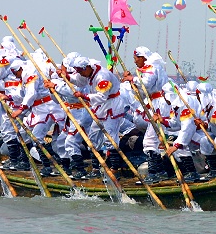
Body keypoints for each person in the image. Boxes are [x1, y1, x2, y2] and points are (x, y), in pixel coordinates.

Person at [70, 56, 126, 179]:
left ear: (87, 68)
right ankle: (96, 168)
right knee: (93, 137)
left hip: (111, 106)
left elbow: (102, 96)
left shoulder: (102, 76)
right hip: (100, 108)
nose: (79, 74)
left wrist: (84, 96)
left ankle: (114, 169)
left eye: (80, 71)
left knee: (111, 137)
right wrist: (66, 76)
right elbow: (79, 81)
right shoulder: (88, 73)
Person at [122, 47, 171, 182]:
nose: (135, 61)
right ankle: (157, 171)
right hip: (154, 103)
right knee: (150, 139)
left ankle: (154, 173)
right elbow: (142, 92)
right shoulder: (147, 69)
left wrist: (133, 79)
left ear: (142, 57)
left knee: (149, 141)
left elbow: (147, 84)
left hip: (160, 105)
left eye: (136, 58)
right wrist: (131, 82)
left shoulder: (152, 67)